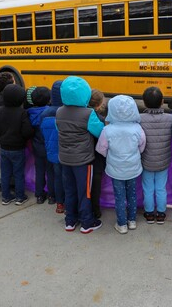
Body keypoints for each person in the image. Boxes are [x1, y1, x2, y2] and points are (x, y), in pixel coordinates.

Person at [56, 76, 104, 234]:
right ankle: (87, 222)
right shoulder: (88, 113)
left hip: (65, 158)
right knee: (85, 191)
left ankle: (70, 220)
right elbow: (99, 132)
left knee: (69, 189)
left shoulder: (59, 111)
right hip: (83, 160)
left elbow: (60, 130)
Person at [96, 95, 146, 234]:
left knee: (119, 196)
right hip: (133, 167)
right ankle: (132, 221)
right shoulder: (137, 128)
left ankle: (122, 224)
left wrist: (111, 157)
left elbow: (101, 148)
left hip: (115, 169)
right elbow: (142, 146)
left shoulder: (107, 130)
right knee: (132, 194)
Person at [0, 84, 34, 205]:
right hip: (18, 148)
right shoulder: (22, 113)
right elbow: (27, 131)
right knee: (18, 173)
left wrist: (1, 137)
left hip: (4, 147)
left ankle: (5, 196)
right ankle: (20, 196)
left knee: (5, 173)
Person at [139, 86, 172, 225]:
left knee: (148, 188)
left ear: (144, 102)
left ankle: (148, 214)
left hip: (146, 160)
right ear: (162, 101)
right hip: (163, 160)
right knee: (161, 188)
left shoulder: (140, 119)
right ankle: (160, 213)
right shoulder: (170, 118)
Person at [40, 80, 65, 214]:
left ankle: (58, 202)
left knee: (56, 177)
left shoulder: (45, 113)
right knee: (67, 178)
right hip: (67, 152)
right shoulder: (67, 112)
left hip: (52, 152)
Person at [27, 86, 53, 204]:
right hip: (50, 146)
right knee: (51, 172)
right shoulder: (50, 112)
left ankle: (39, 195)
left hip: (37, 147)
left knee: (39, 171)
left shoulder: (29, 113)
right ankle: (52, 196)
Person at [88, 89, 106, 219]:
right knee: (95, 186)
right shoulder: (99, 120)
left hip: (84, 156)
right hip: (97, 157)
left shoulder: (81, 115)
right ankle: (95, 210)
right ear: (100, 104)